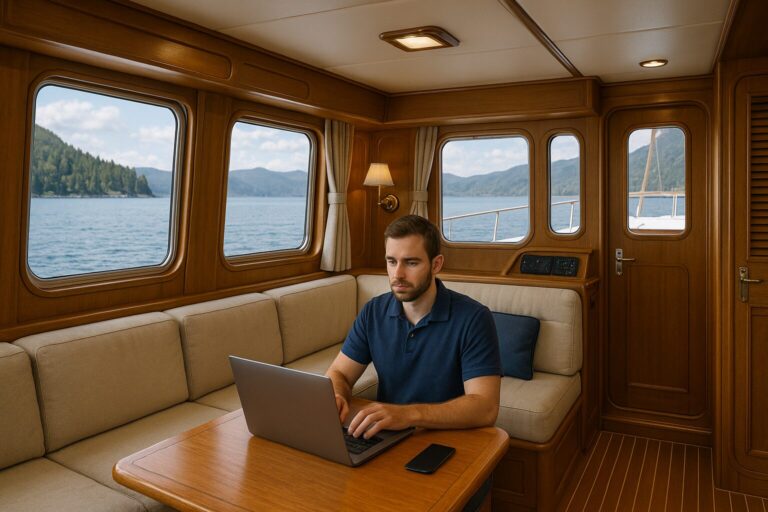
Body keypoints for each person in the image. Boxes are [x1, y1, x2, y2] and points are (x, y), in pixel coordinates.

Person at [326, 214, 502, 441]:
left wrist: (408, 415)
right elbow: (339, 372)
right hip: (387, 435)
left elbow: (485, 407)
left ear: (436, 264)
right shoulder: (373, 312)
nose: (397, 274)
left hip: (451, 439)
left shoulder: (474, 318)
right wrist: (337, 394)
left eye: (411, 262)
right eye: (391, 261)